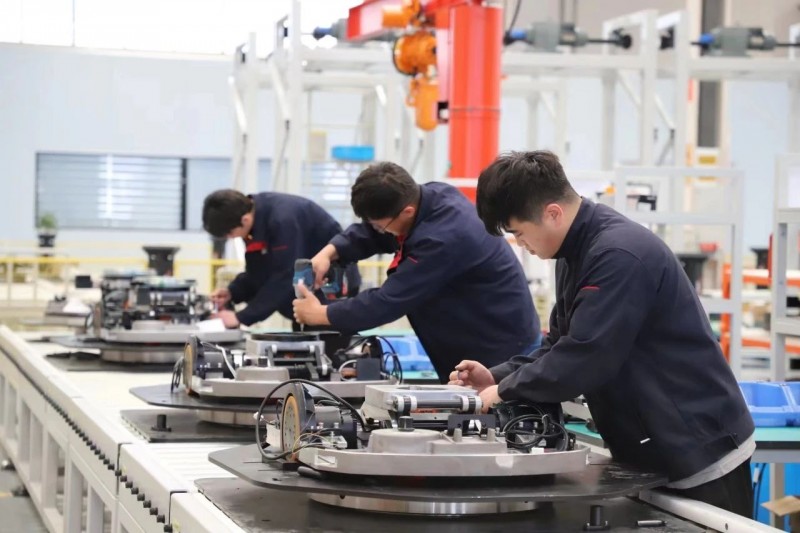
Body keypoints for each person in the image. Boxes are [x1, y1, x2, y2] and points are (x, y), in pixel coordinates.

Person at [449, 151, 755, 517]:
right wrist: (498, 376)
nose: (522, 245)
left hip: (698, 448)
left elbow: (586, 356)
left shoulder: (618, 254)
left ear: (552, 213)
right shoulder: (573, 254)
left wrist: (503, 392)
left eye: (519, 233)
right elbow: (559, 345)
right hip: (652, 447)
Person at [292, 161, 541, 382]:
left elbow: (387, 302)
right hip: (472, 342)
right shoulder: (428, 198)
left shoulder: (443, 239)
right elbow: (373, 234)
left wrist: (321, 313)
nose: (378, 231)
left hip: (501, 352)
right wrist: (330, 252)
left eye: (380, 226)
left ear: (407, 211)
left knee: (496, 417)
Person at [202, 189, 360, 329]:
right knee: (305, 344)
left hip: (332, 289)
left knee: (326, 345)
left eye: (230, 234)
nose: (232, 238)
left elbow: (286, 275)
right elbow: (257, 273)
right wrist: (232, 292)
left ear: (245, 220)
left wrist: (240, 317)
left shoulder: (283, 220)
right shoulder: (254, 223)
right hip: (307, 292)